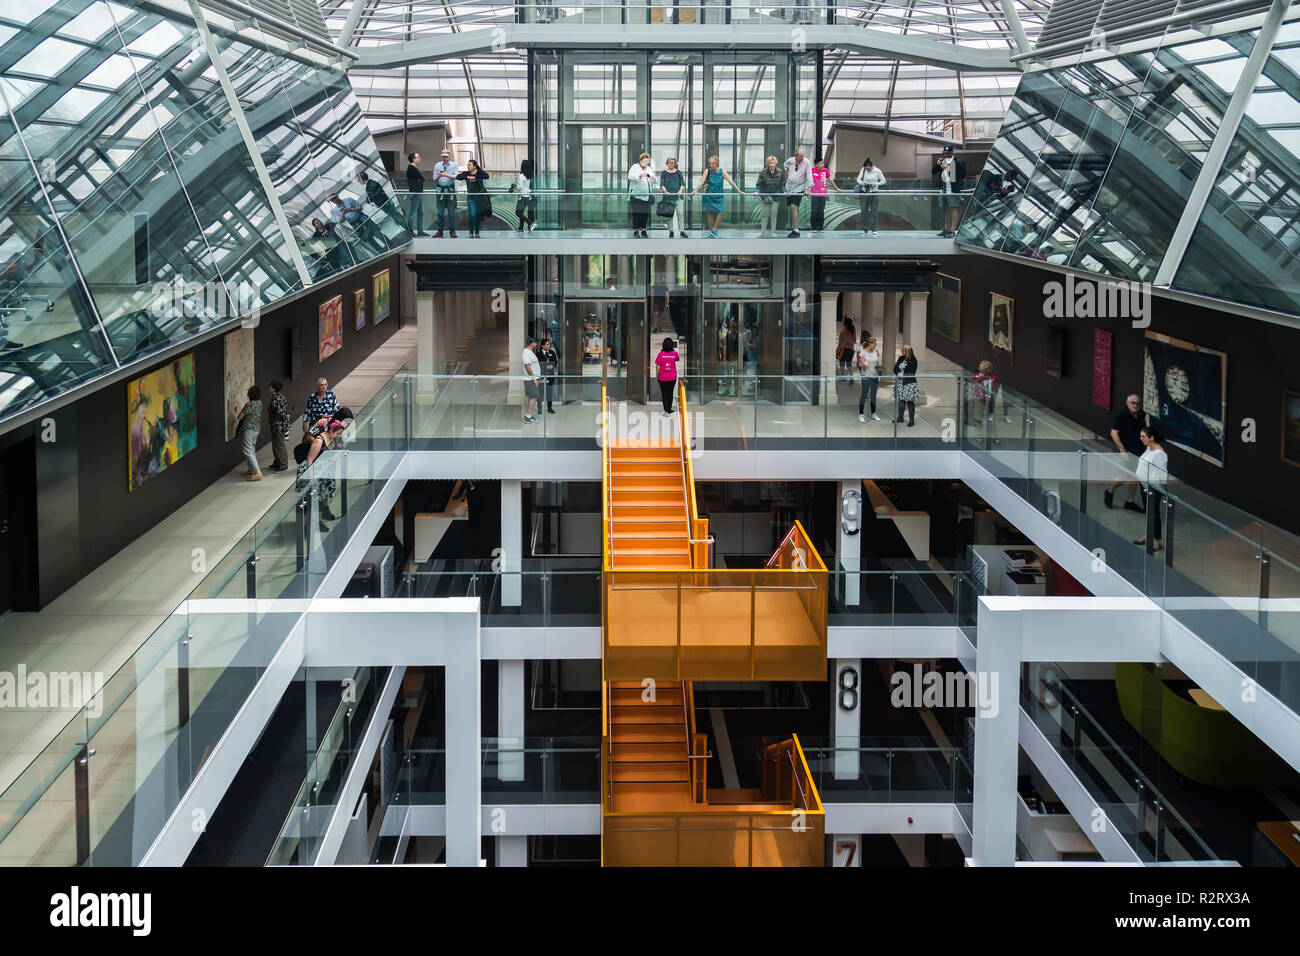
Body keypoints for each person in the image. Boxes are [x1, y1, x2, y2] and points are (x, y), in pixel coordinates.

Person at [296, 418, 346, 533]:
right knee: (309, 499)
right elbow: (310, 460)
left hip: (323, 472)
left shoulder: (330, 438)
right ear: (332, 430)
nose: (338, 435)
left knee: (321, 499)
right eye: (338, 433)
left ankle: (318, 522)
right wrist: (311, 478)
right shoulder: (318, 441)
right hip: (314, 472)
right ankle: (306, 526)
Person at [1104, 394, 1147, 513]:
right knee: (1124, 476)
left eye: (1138, 403)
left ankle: (1130, 501)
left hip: (1137, 451)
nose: (1135, 405)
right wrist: (1122, 450)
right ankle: (1109, 491)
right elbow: (1114, 433)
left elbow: (1143, 431)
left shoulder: (1141, 415)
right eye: (1133, 403)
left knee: (1134, 476)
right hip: (1124, 451)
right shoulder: (1120, 415)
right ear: (1127, 403)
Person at [1132, 426, 1169, 552]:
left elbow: (1163, 473)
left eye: (1143, 436)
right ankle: (1149, 535)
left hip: (1153, 488)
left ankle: (1156, 541)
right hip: (1144, 486)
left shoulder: (1160, 454)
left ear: (1151, 438)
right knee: (1148, 512)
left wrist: (1162, 488)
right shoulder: (1149, 448)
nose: (1141, 439)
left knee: (1154, 514)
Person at [695, 155, 744, 238]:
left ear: (717, 163)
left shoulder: (722, 171)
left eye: (713, 164)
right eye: (710, 164)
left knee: (721, 212)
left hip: (718, 195)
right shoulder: (707, 171)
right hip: (709, 195)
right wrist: (695, 190)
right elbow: (701, 180)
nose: (711, 165)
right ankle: (713, 233)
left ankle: (714, 230)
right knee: (709, 212)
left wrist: (739, 190)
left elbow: (730, 181)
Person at [933, 146, 966, 237]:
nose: (945, 155)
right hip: (943, 189)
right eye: (944, 153)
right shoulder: (943, 161)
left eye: (947, 153)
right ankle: (946, 228)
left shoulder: (958, 162)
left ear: (952, 152)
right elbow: (933, 172)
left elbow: (960, 176)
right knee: (945, 209)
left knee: (953, 208)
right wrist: (938, 164)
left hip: (952, 189)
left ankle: (952, 230)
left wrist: (948, 169)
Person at [456, 159, 491, 238]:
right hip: (471, 198)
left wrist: (474, 177)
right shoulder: (466, 173)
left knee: (478, 215)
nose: (467, 166)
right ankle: (471, 232)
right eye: (467, 165)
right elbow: (458, 177)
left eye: (469, 165)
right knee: (472, 215)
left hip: (480, 198)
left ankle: (477, 231)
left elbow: (487, 176)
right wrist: (468, 177)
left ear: (474, 166)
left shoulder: (479, 172)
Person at [235, 385, 263, 481]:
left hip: (249, 429)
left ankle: (257, 472)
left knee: (247, 450)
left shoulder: (249, 405)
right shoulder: (259, 403)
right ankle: (251, 469)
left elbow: (240, 416)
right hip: (257, 429)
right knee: (251, 449)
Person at [627, 152, 656, 238]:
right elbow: (630, 176)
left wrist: (652, 178)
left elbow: (654, 178)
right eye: (644, 161)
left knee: (645, 214)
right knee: (636, 213)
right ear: (641, 160)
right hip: (636, 195)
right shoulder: (635, 167)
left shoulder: (649, 168)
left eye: (647, 161)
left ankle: (644, 230)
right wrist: (640, 175)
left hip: (646, 195)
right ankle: (636, 231)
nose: (645, 162)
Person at [431, 149, 459, 237]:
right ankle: (440, 231)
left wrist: (446, 175)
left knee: (451, 212)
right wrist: (438, 176)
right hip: (440, 191)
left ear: (449, 156)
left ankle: (452, 231)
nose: (445, 158)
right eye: (443, 156)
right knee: (440, 212)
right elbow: (434, 179)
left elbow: (455, 176)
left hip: (450, 191)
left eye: (446, 156)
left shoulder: (454, 165)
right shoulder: (437, 165)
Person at [783, 149, 811, 237]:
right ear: (796, 156)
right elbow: (785, 164)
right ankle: (794, 228)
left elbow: (809, 175)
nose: (802, 158)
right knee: (792, 208)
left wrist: (808, 189)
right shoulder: (790, 160)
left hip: (799, 188)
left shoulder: (806, 162)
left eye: (803, 156)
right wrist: (787, 170)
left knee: (793, 206)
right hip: (789, 188)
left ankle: (796, 230)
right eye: (800, 157)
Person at [755, 155, 785, 236]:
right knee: (765, 215)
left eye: (773, 163)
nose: (772, 164)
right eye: (770, 163)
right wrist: (757, 192)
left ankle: (773, 232)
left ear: (776, 163)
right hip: (765, 196)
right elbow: (759, 184)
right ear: (767, 164)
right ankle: (762, 232)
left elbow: (782, 184)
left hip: (776, 196)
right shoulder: (763, 172)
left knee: (773, 215)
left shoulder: (780, 172)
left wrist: (785, 192)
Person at [856, 158, 886, 235]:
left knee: (874, 212)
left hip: (874, 193)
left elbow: (883, 181)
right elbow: (858, 179)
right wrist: (862, 183)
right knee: (863, 211)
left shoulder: (877, 171)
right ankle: (863, 228)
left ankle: (874, 229)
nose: (866, 170)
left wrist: (875, 184)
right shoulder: (863, 169)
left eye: (867, 168)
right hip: (864, 192)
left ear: (871, 166)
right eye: (865, 168)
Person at [856, 334, 882, 423]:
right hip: (866, 376)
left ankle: (873, 413)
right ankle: (861, 414)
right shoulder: (863, 352)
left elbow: (875, 363)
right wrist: (864, 364)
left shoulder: (875, 351)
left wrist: (879, 369)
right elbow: (863, 364)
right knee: (864, 395)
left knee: (873, 396)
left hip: (874, 376)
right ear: (870, 344)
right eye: (874, 343)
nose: (875, 345)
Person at [659, 157, 687, 237]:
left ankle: (682, 231)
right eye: (669, 162)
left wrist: (680, 191)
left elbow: (682, 183)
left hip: (678, 197)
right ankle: (671, 231)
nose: (671, 164)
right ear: (667, 163)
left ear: (675, 164)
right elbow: (662, 185)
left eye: (672, 163)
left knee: (680, 213)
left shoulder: (678, 172)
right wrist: (665, 191)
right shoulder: (664, 173)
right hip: (668, 197)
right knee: (669, 214)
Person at [893, 344, 919, 427]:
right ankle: (900, 418)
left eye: (903, 350)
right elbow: (895, 368)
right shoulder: (901, 358)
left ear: (907, 352)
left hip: (909, 383)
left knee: (910, 402)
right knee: (901, 400)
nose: (901, 351)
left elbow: (911, 372)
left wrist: (902, 374)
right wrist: (898, 373)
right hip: (900, 383)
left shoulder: (913, 360)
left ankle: (912, 420)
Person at [268, 380, 291, 472]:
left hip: (277, 425)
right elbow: (285, 409)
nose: (268, 388)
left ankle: (283, 464)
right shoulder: (282, 397)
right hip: (282, 425)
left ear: (273, 388)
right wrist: (286, 417)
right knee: (277, 444)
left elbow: (278, 411)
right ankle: (277, 462)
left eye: (270, 386)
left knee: (279, 445)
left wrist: (283, 417)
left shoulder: (274, 398)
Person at [654, 337, 680, 415]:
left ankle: (666, 409)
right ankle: (669, 408)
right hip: (672, 377)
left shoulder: (660, 354)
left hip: (662, 378)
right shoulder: (675, 353)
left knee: (664, 393)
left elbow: (658, 366)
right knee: (670, 392)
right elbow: (677, 359)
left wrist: (657, 376)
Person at [509, 159, 536, 232]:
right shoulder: (529, 175)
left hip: (522, 196)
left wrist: (514, 188)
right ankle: (520, 228)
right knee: (521, 212)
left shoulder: (522, 175)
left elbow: (520, 187)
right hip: (528, 195)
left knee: (518, 213)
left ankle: (530, 223)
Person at [972, 360, 1001, 425]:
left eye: (984, 371)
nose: (982, 372)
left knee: (991, 404)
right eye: (981, 370)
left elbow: (996, 383)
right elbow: (973, 380)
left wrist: (991, 381)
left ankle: (990, 415)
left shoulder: (993, 376)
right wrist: (978, 378)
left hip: (989, 394)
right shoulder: (977, 375)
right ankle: (978, 417)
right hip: (980, 394)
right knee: (979, 405)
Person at [522, 337, 542, 424]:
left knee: (528, 396)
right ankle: (528, 417)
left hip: (531, 379)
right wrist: (534, 378)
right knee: (534, 396)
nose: (537, 344)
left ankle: (527, 415)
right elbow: (527, 366)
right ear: (531, 343)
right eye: (536, 343)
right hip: (530, 379)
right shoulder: (526, 353)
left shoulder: (529, 352)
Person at [405, 151, 425, 235]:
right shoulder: (411, 168)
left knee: (420, 212)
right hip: (415, 193)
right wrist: (420, 180)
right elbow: (421, 179)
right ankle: (411, 231)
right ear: (413, 159)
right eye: (417, 157)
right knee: (413, 212)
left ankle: (420, 231)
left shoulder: (413, 168)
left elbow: (421, 179)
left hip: (417, 193)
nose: (419, 158)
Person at [809, 156, 831, 232]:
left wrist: (837, 188)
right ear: (816, 164)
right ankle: (813, 228)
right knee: (814, 211)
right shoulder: (812, 170)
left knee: (821, 211)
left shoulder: (825, 170)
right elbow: (807, 180)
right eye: (821, 163)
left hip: (823, 194)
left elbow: (830, 179)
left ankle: (820, 227)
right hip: (814, 194)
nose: (823, 164)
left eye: (823, 163)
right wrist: (807, 189)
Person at [539, 337, 559, 413]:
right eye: (547, 344)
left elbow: (556, 362)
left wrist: (552, 366)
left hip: (550, 375)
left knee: (549, 392)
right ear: (543, 346)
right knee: (541, 392)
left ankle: (549, 407)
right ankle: (539, 407)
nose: (549, 346)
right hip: (542, 375)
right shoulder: (538, 354)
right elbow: (537, 365)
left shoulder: (552, 352)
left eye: (549, 344)